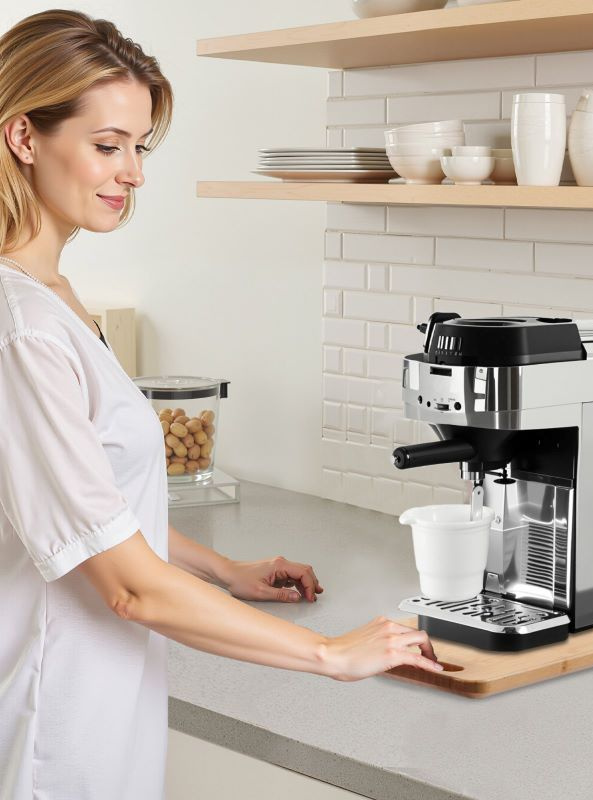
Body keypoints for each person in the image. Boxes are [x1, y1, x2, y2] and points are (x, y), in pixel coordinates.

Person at [0, 10, 442, 800]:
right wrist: (331, 654)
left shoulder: (56, 295)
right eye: (108, 146)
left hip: (104, 702)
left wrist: (224, 569)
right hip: (54, 725)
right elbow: (129, 586)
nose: (134, 173)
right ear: (24, 137)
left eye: (140, 148)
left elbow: (94, 505)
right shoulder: (23, 328)